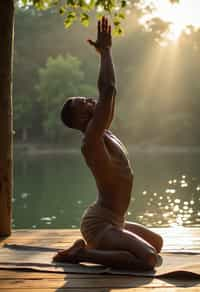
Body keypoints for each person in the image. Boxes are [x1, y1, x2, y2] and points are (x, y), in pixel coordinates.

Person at [53, 16, 163, 270]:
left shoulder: (103, 132)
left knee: (156, 243)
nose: (92, 101)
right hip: (99, 224)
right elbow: (108, 89)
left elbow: (109, 95)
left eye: (88, 99)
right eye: (85, 103)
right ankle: (82, 254)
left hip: (114, 220)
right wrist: (105, 52)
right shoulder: (91, 140)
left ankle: (93, 247)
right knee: (149, 259)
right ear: (81, 118)